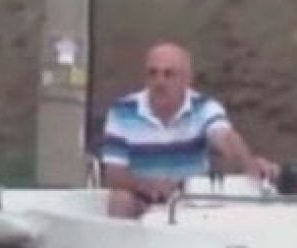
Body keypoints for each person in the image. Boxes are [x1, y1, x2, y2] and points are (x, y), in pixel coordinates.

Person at [99, 42, 279, 218]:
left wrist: (250, 164)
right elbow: (113, 175)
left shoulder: (204, 107)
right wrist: (149, 186)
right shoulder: (122, 111)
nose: (159, 82)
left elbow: (225, 138)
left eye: (169, 74)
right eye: (153, 73)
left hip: (192, 204)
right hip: (142, 201)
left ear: (187, 80)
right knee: (119, 200)